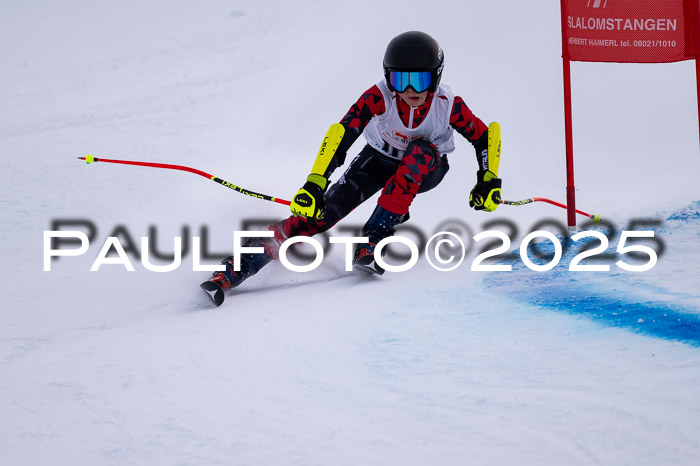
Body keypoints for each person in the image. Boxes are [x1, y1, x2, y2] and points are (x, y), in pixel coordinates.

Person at [206, 30, 502, 293]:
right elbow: (342, 134)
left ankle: (373, 237)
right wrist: (315, 184)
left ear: (435, 76)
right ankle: (238, 266)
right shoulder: (379, 96)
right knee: (322, 215)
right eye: (401, 79)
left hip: (427, 168)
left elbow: (484, 137)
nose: (410, 90)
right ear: (389, 77)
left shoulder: (447, 105)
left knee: (420, 153)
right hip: (378, 159)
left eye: (420, 79)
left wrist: (488, 180)